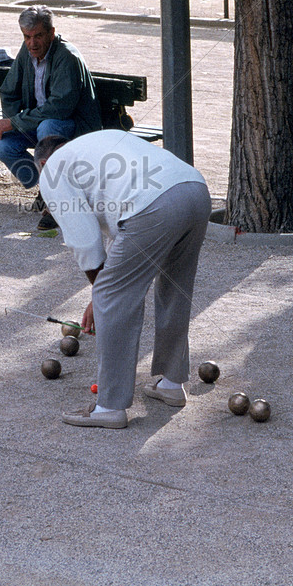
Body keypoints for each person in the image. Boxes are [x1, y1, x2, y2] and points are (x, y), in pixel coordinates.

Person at [35, 131, 211, 429]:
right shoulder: (95, 144)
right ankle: (171, 383)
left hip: (152, 204)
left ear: (41, 163)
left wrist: (101, 293)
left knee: (111, 295)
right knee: (174, 288)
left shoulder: (52, 171)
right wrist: (105, 288)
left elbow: (85, 242)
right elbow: (126, 238)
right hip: (194, 189)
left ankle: (109, 406)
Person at [0, 5, 101, 230]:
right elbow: (8, 91)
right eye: (27, 37)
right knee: (3, 146)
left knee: (47, 128)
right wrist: (13, 123)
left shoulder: (66, 57)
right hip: (38, 122)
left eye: (38, 36)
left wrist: (16, 122)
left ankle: (54, 204)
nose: (32, 43)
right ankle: (48, 187)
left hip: (74, 125)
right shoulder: (27, 52)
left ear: (51, 33)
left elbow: (59, 108)